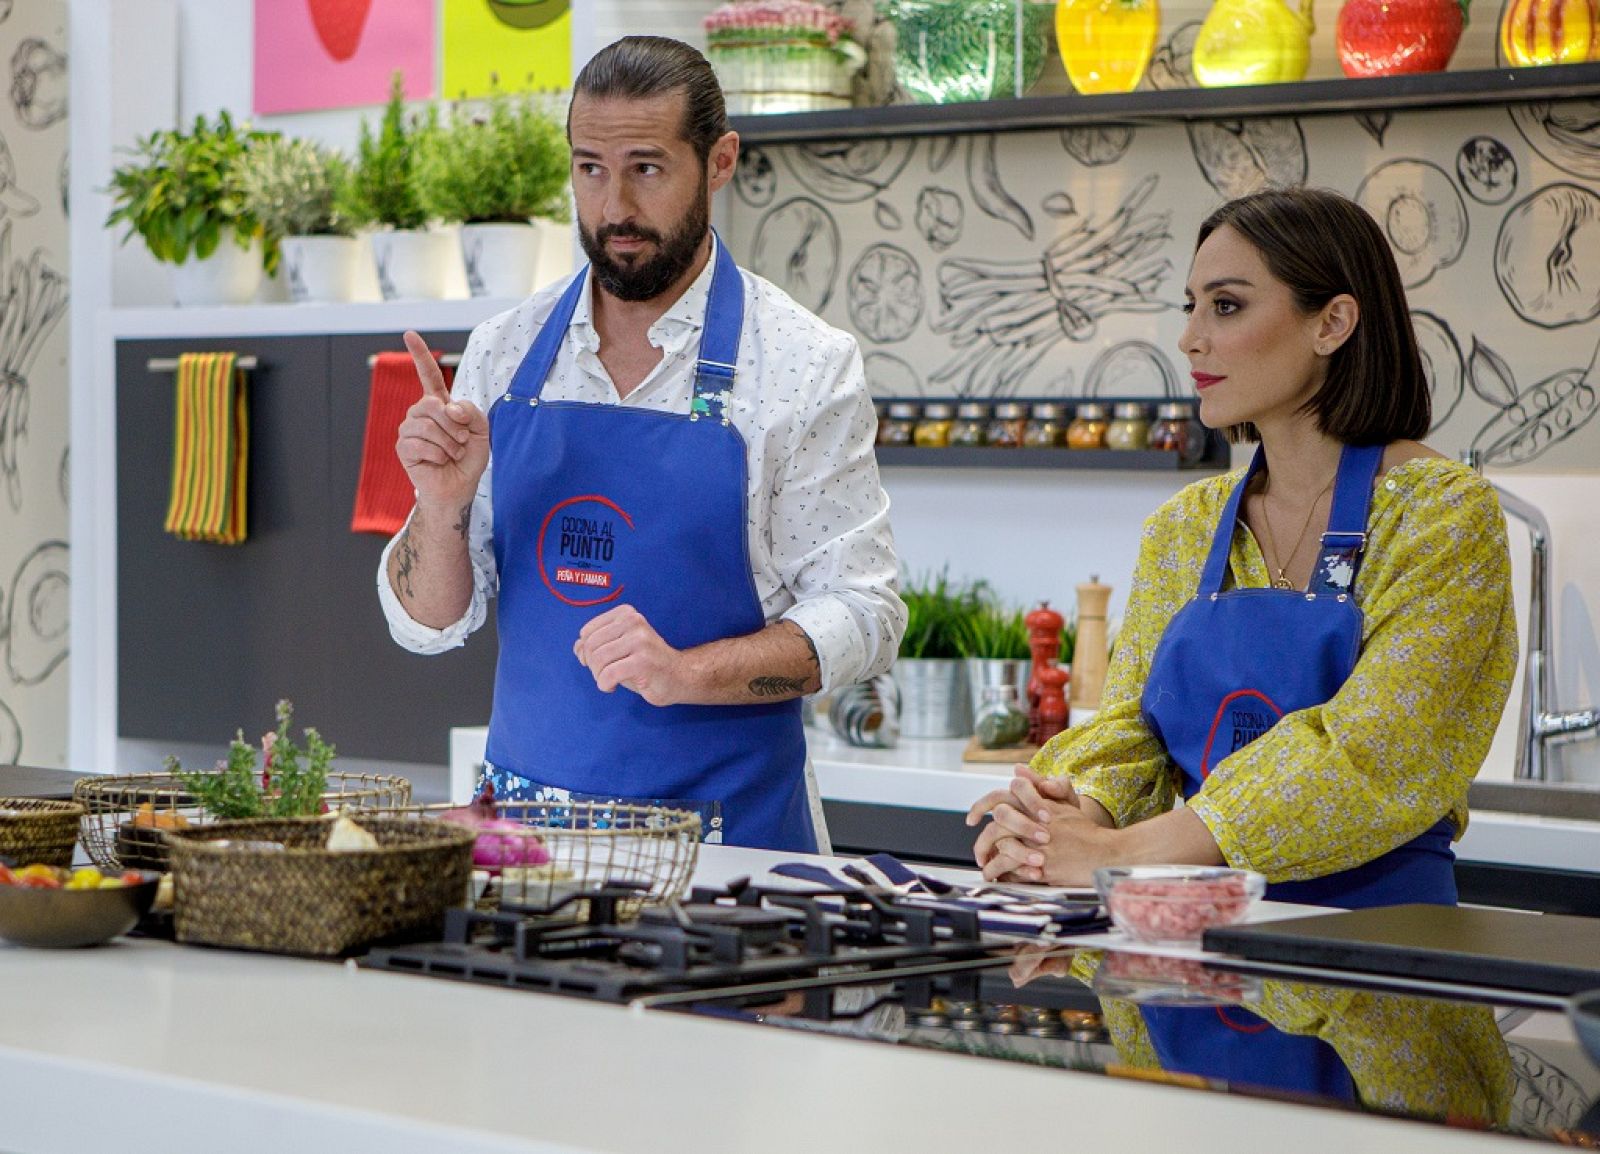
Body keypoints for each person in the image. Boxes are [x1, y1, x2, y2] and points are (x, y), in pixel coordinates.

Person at [967, 186, 1518, 1097]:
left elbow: (1370, 754)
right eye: (1191, 308)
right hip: (1181, 970)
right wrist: (1059, 817)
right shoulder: (1186, 528)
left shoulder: (1441, 514)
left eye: (1226, 306)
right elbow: (1134, 731)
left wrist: (1120, 857)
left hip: (1378, 973)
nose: (1192, 338)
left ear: (1333, 321)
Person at [378, 36, 905, 853]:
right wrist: (438, 505)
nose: (614, 205)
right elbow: (430, 625)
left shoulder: (802, 364)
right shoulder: (504, 352)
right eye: (590, 168)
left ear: (719, 161)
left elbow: (865, 612)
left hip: (730, 857)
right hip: (527, 854)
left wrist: (686, 674)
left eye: (646, 168)